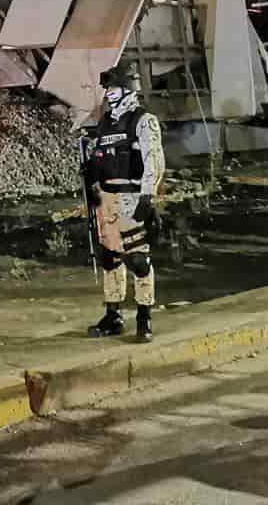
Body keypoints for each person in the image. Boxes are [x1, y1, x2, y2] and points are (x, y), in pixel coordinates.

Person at [81, 65, 166, 341]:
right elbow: (99, 157)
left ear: (129, 88)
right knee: (110, 258)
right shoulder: (105, 123)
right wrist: (92, 177)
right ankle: (113, 315)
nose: (108, 94)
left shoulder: (143, 120)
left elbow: (154, 158)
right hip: (106, 199)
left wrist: (147, 194)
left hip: (131, 197)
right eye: (106, 89)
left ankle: (144, 317)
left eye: (113, 88)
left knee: (138, 260)